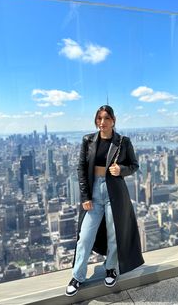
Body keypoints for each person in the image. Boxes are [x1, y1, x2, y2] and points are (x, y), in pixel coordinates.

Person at [65, 105, 144, 297]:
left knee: (113, 234)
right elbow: (81, 169)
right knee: (84, 237)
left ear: (113, 120)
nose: (102, 122)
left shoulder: (123, 142)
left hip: (114, 193)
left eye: (106, 118)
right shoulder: (88, 140)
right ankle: (77, 276)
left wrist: (121, 170)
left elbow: (134, 165)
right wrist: (85, 197)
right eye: (99, 118)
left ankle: (111, 268)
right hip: (94, 193)